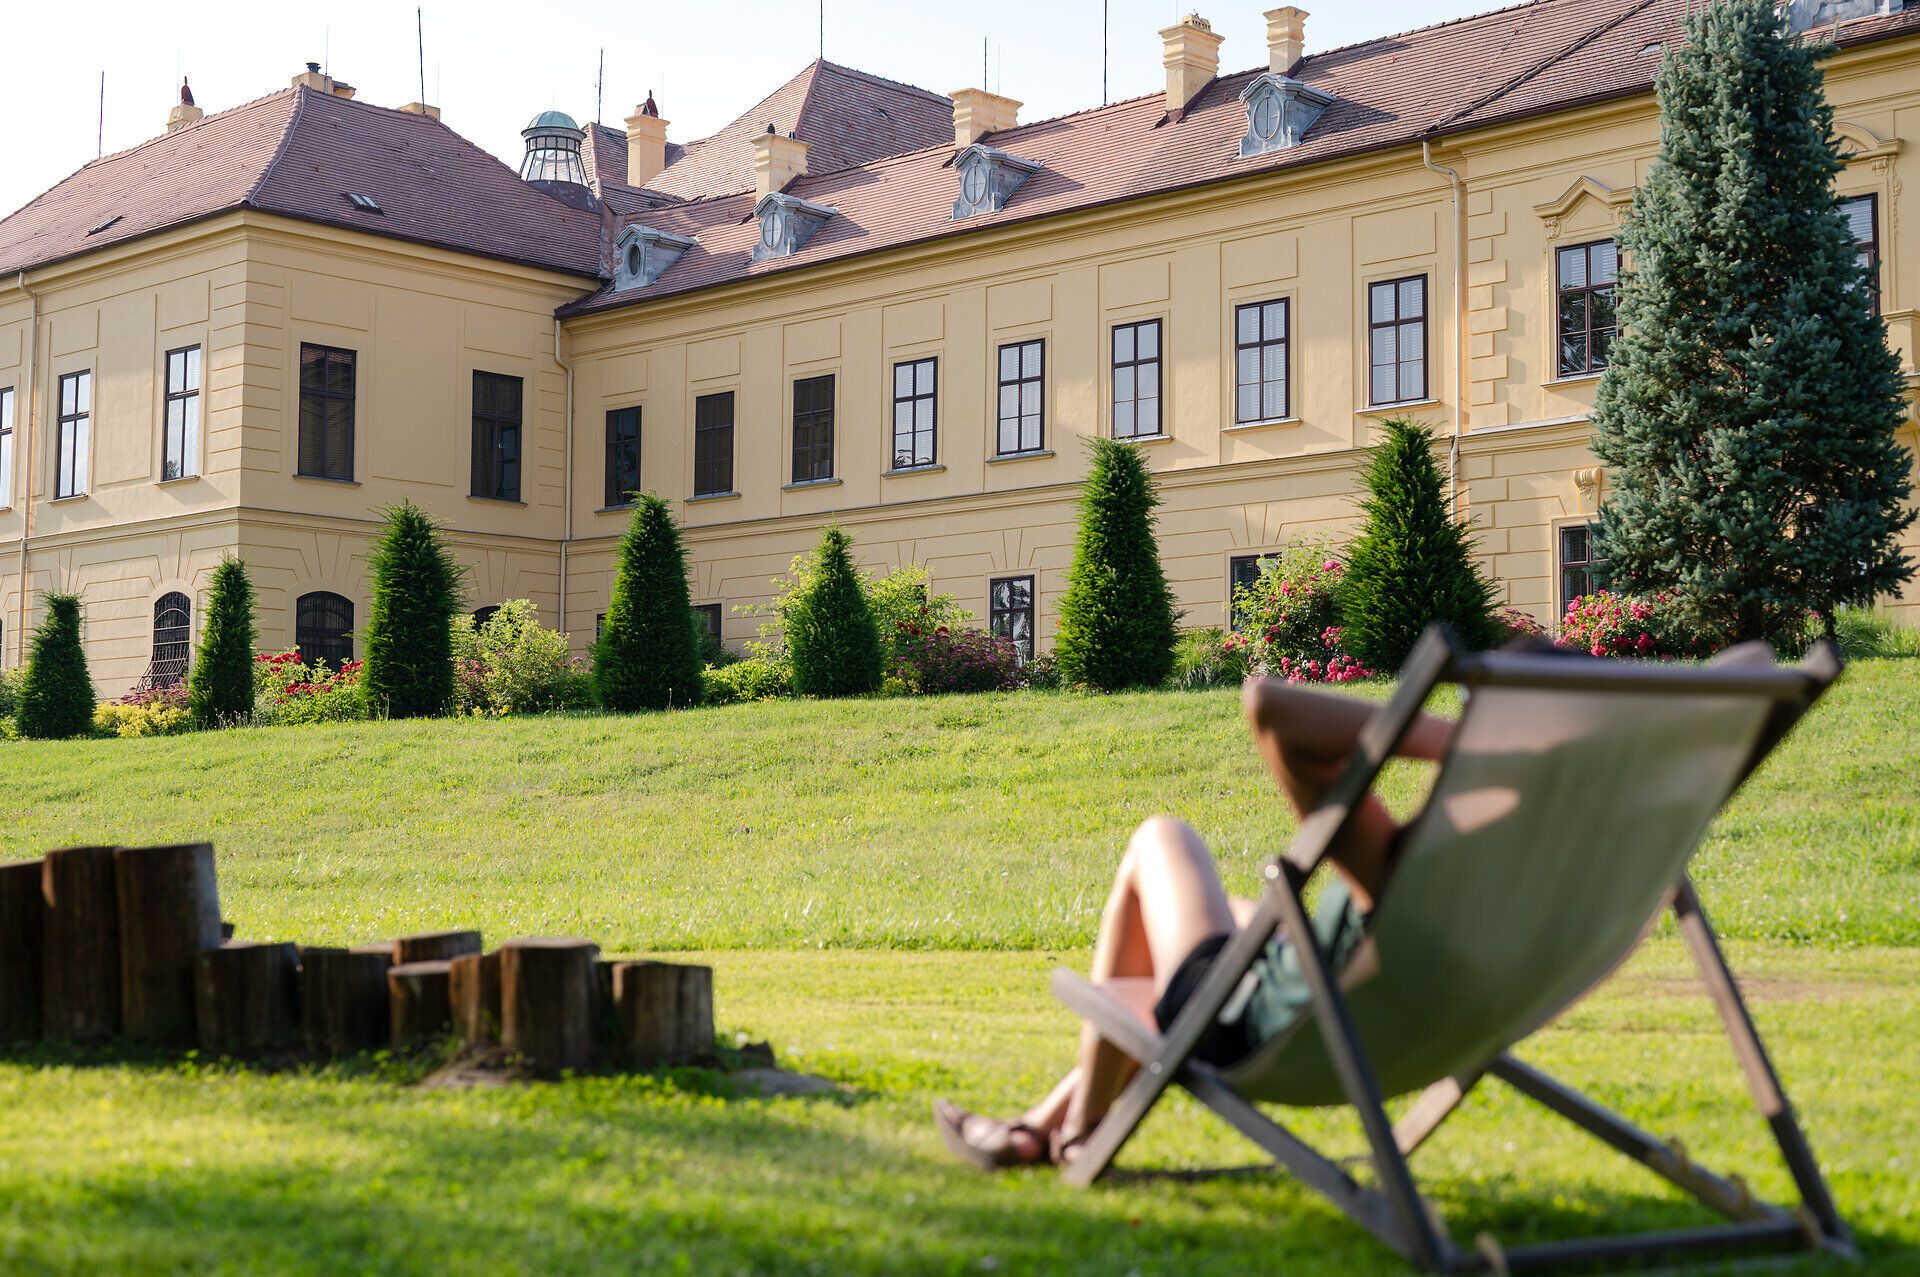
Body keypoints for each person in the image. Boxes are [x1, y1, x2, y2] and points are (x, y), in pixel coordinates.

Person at [933, 674, 1455, 1170]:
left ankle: (1080, 1127)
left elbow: (1269, 705)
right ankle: (1036, 1125)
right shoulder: (1496, 883)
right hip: (1385, 1022)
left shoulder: (1403, 866)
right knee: (1234, 911)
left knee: (1159, 839)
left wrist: (1461, 742)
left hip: (1260, 1026)